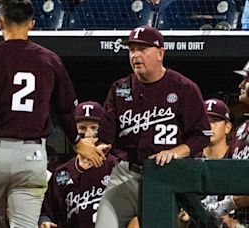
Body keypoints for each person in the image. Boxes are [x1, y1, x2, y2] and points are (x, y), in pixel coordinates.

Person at [0, 0, 106, 227]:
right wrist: (77, 143)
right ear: (32, 24)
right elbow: (66, 109)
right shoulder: (49, 58)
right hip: (32, 154)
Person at [93, 25, 211, 228]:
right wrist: (100, 146)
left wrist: (176, 151)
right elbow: (106, 135)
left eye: (142, 49)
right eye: (131, 50)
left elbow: (201, 135)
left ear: (160, 53)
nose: (135, 55)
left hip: (164, 175)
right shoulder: (119, 88)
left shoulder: (184, 88)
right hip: (126, 174)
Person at [39, 101, 118, 228]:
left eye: (94, 128)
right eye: (82, 128)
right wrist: (45, 222)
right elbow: (47, 211)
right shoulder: (61, 174)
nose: (88, 134)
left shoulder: (116, 167)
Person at [204, 60, 249, 226]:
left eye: (247, 79)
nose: (241, 85)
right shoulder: (242, 128)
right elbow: (228, 179)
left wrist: (226, 204)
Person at [179, 98, 234, 227]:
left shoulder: (236, 157)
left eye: (214, 121)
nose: (209, 125)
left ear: (227, 127)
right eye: (204, 120)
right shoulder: (189, 160)